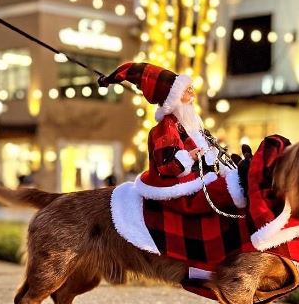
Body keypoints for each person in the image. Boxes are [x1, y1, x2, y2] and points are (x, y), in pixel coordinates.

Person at [98, 62, 245, 215]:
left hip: (203, 178)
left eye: (191, 89)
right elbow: (166, 164)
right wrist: (189, 157)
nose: (193, 95)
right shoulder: (166, 128)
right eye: (188, 91)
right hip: (183, 187)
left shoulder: (192, 125)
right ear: (176, 97)